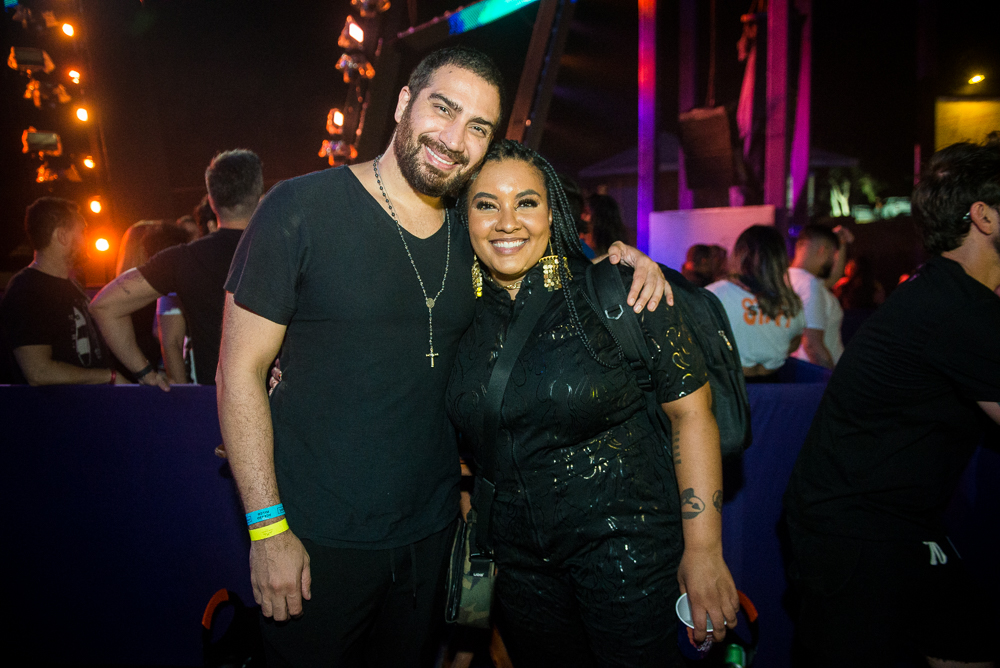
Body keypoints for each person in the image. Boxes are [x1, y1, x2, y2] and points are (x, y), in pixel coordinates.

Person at [217, 46, 669, 667]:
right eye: (444, 109)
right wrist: (268, 530)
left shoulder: (476, 229)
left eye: (478, 127)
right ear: (404, 102)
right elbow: (237, 371)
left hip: (431, 538)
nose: (455, 140)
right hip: (315, 538)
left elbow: (558, 273)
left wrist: (624, 261)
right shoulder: (299, 210)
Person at [446, 139, 738, 666]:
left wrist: (704, 551)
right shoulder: (454, 314)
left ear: (552, 212)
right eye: (486, 204)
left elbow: (692, 414)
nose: (507, 222)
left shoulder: (619, 290)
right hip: (519, 569)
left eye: (526, 202)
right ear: (464, 217)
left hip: (627, 554)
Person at [783, 138, 1000, 668]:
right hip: (853, 532)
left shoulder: (949, 292)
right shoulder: (955, 308)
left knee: (968, 646)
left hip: (894, 524)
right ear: (984, 216)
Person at [91, 149, 262, 388]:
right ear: (259, 194)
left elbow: (104, 305)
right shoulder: (287, 250)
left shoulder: (184, 258)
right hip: (282, 399)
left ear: (211, 200)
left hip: (217, 400)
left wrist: (145, 373)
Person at [0, 197, 123, 385]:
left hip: (87, 401)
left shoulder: (71, 283)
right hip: (56, 405)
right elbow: (39, 371)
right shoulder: (26, 290)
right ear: (63, 236)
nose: (86, 239)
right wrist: (108, 376)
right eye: (82, 231)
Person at [707, 225, 804, 380]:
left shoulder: (716, 294)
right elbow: (794, 342)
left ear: (740, 254)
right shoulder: (791, 301)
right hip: (774, 384)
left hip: (732, 384)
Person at [788, 223, 853, 368]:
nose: (833, 261)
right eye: (832, 255)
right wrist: (832, 377)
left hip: (797, 371)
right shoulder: (810, 285)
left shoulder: (784, 279)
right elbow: (812, 345)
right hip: (815, 373)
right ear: (822, 251)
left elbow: (832, 278)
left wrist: (840, 243)